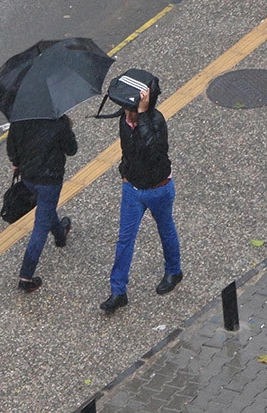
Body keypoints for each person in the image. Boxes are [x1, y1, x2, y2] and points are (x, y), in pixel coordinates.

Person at [100, 77, 183, 312]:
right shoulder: (124, 121)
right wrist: (124, 174)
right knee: (124, 240)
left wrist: (144, 115)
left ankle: (174, 271)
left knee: (166, 230)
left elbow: (152, 150)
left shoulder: (156, 121)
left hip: (159, 189)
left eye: (131, 108)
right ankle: (118, 291)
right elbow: (127, 151)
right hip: (133, 189)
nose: (126, 113)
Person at [6, 115, 77, 292]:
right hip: (50, 181)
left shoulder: (20, 118)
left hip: (28, 176)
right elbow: (71, 150)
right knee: (40, 227)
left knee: (46, 209)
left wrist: (16, 162)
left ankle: (60, 234)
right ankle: (26, 276)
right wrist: (68, 128)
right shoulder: (58, 122)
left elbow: (11, 147)